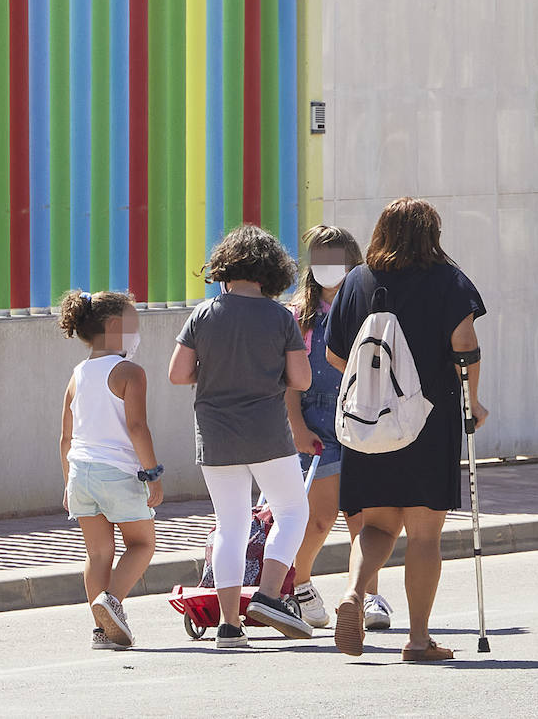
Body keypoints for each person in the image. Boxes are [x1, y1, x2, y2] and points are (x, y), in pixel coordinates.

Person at [325, 198, 488, 661]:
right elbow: (464, 346)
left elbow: (336, 356)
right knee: (423, 535)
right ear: (431, 235)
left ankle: (355, 593)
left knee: (376, 525)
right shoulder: (448, 280)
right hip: (428, 421)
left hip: (370, 423)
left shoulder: (357, 281)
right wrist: (472, 402)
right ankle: (418, 640)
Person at [168, 224, 314, 648]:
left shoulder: (204, 313)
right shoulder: (279, 316)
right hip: (267, 431)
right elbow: (301, 380)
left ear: (224, 267)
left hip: (215, 434)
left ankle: (229, 626)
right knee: (291, 512)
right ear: (271, 271)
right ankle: (268, 595)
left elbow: (178, 374)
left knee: (230, 526)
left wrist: (213, 373)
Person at [285, 225, 394, 632]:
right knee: (319, 518)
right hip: (316, 424)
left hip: (361, 418)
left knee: (363, 517)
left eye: (337, 259)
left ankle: (366, 595)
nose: (328, 268)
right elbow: (289, 381)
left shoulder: (368, 308)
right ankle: (299, 584)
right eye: (320, 258)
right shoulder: (298, 316)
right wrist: (296, 425)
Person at [57, 289, 161, 651]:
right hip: (118, 472)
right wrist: (153, 473)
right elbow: (137, 428)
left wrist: (69, 484)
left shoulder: (77, 374)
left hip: (80, 473)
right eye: (133, 323)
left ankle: (101, 631)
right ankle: (111, 601)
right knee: (142, 543)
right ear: (115, 326)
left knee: (98, 554)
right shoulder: (129, 372)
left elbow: (65, 437)